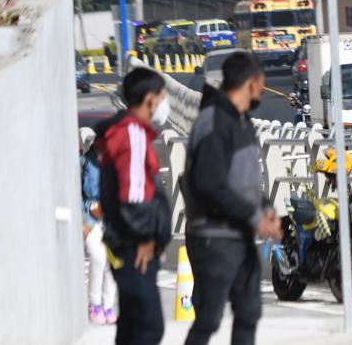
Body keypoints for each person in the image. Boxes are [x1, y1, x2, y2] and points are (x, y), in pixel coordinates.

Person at [183, 52, 282, 345]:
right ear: (251, 83)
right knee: (208, 319)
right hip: (214, 238)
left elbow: (244, 182)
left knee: (249, 312)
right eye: (261, 82)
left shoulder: (243, 123)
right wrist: (254, 218)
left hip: (239, 235)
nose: (264, 89)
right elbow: (210, 184)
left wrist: (265, 210)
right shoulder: (213, 121)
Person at [95, 67, 172, 345]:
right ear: (150, 100)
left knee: (130, 328)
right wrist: (144, 237)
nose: (164, 104)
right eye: (163, 96)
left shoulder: (121, 132)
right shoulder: (132, 135)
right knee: (149, 327)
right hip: (134, 247)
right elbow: (134, 194)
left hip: (123, 243)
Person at [81, 132, 117, 325]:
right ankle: (94, 305)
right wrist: (83, 221)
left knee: (113, 260)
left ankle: (108, 306)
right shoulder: (84, 162)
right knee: (98, 256)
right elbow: (74, 191)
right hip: (90, 217)